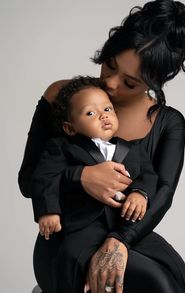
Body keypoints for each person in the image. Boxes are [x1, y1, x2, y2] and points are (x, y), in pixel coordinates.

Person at [18, 0, 185, 293]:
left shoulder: (169, 123)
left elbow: (161, 195)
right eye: (110, 65)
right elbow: (29, 182)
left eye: (129, 82)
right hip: (68, 238)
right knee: (156, 284)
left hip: (130, 236)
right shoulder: (63, 97)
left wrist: (120, 241)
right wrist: (81, 177)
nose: (111, 84)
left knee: (170, 280)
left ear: (154, 82)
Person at [32, 76, 158, 240]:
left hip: (124, 227)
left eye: (107, 109)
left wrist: (140, 193)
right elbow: (46, 177)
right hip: (81, 227)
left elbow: (148, 175)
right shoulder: (62, 147)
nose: (103, 116)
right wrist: (49, 212)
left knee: (171, 262)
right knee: (73, 255)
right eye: (90, 113)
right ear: (69, 128)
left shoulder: (133, 149)